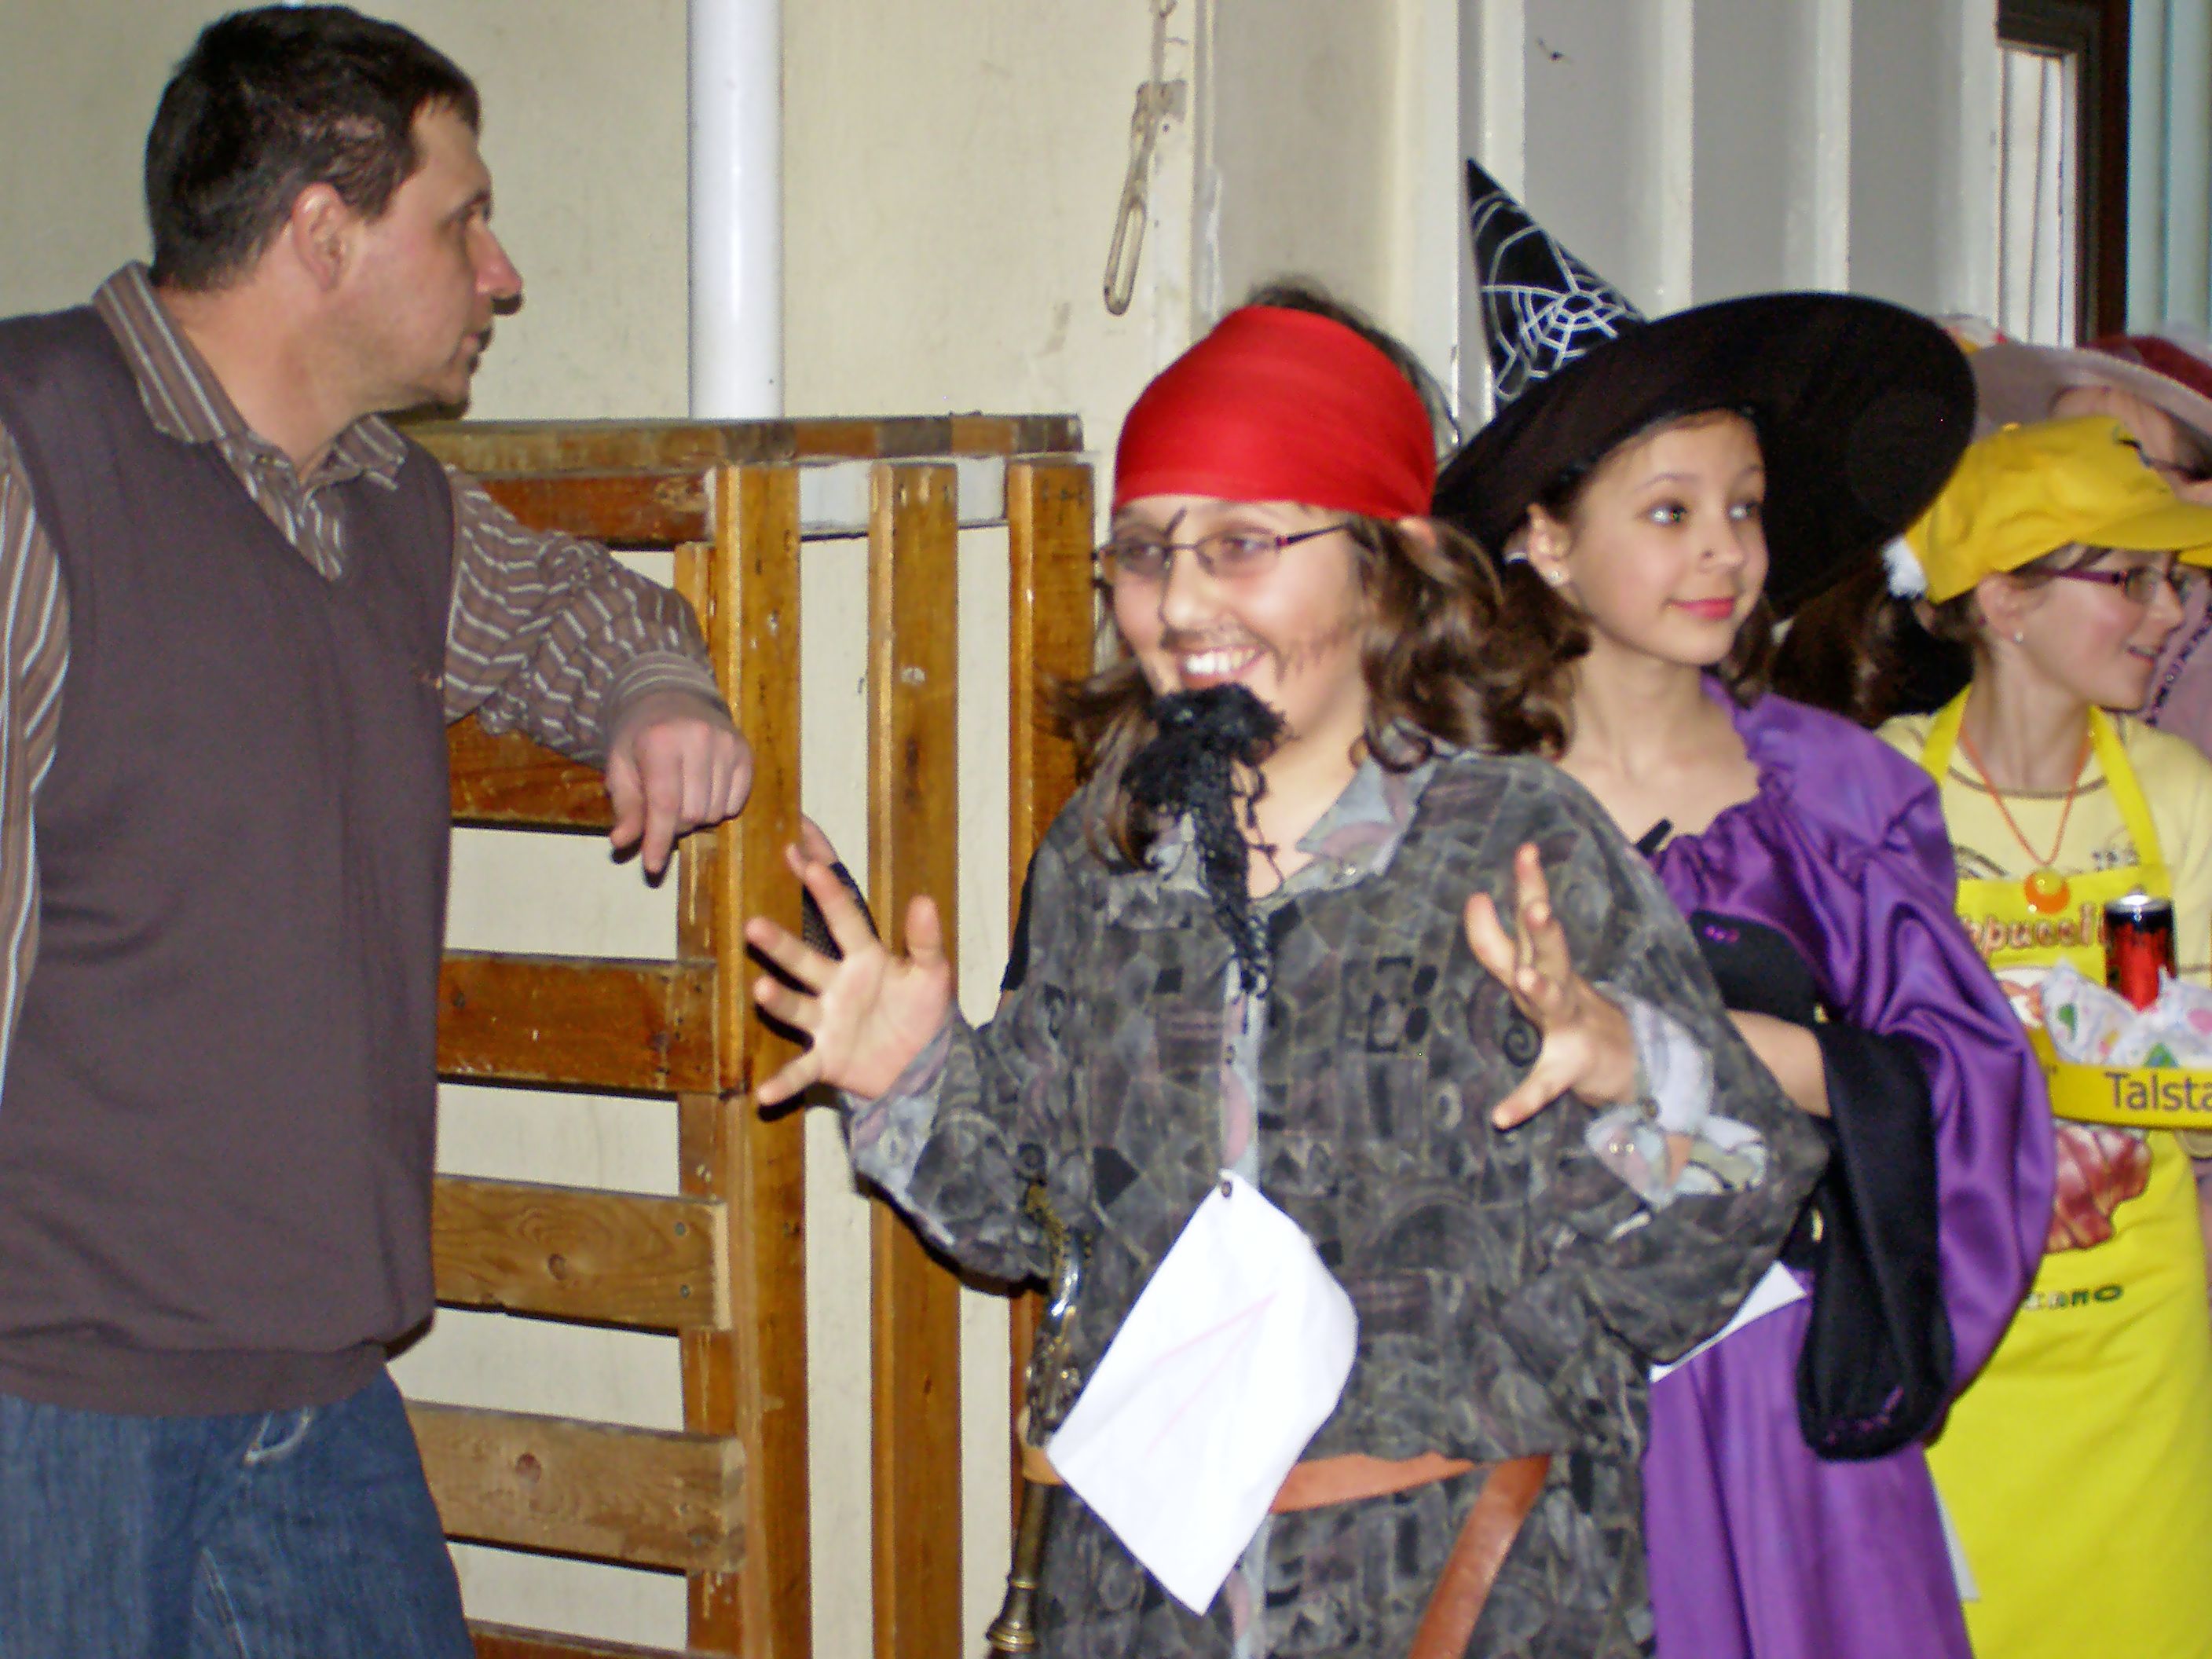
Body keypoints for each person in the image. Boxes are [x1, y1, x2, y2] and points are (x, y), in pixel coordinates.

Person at [745, 288, 1827, 1657]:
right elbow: (1029, 1232)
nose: (1182, 601)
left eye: (1243, 545)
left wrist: (1630, 1070)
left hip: (1473, 1601)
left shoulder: (1517, 847)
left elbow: (1702, 1258)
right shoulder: (1106, 860)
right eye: (1147, 552)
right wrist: (910, 1081)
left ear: (1387, 567)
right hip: (1148, 1614)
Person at [0, 9, 751, 1656]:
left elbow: (586, 614)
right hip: (49, 1407)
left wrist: (654, 697)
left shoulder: (378, 498)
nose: (502, 274)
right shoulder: (31, 449)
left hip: (316, 1396)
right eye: (462, 219)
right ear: (323, 233)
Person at [1429, 163, 2052, 1659]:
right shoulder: (1457, 810)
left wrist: (1753, 1058)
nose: (1725, 550)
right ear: (1546, 539)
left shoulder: (1837, 798)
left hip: (1776, 1407)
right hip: (1536, 1405)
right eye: (1670, 510)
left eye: (1746, 509)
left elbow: (1971, 1090)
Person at [1865, 417, 2212, 1659]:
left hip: (2136, 1343)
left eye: (2172, 579)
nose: (2170, 612)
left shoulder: (2178, 793)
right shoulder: (1884, 790)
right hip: (1948, 1332)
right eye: (2129, 578)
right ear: (2004, 598)